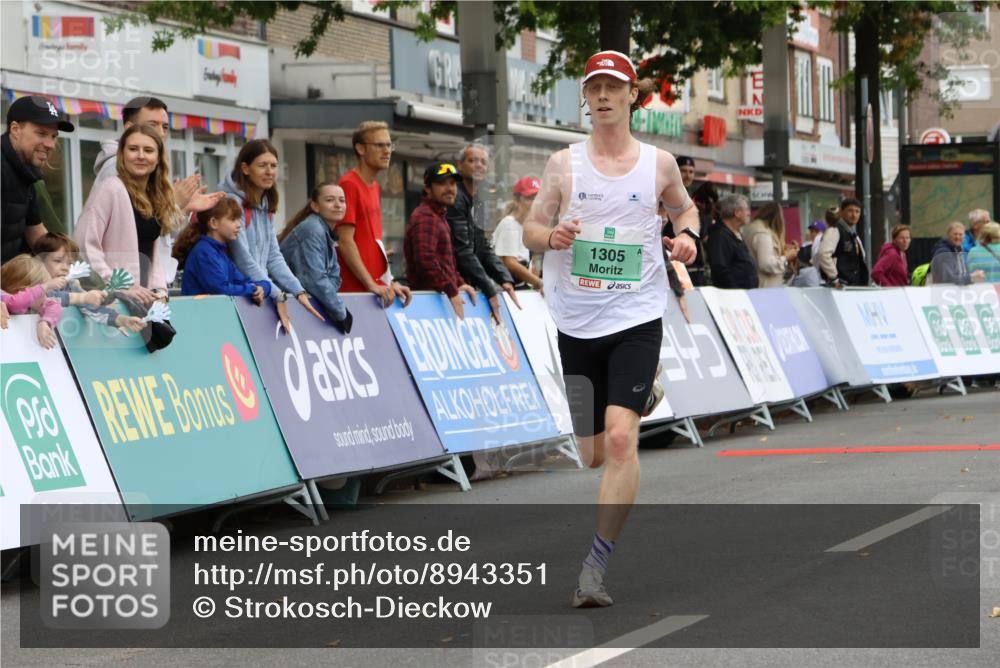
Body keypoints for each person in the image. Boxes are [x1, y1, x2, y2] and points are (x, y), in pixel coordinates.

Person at [521, 50, 699, 608]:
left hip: (637, 314)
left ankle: (593, 569)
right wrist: (550, 238)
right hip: (576, 319)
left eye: (612, 88)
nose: (601, 96)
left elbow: (684, 211)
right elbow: (529, 227)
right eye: (593, 87)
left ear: (632, 97)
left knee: (622, 439)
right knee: (592, 452)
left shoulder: (660, 164)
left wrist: (688, 238)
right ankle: (642, 389)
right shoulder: (563, 165)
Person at [94, 96, 224, 285]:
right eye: (152, 125)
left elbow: (160, 233)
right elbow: (134, 230)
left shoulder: (149, 169)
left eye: (164, 127)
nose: (160, 133)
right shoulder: (116, 169)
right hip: (127, 284)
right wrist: (175, 204)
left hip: (148, 281)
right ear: (130, 128)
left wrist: (183, 208)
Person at [218, 139, 325, 331]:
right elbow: (243, 260)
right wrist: (277, 293)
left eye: (273, 166)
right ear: (245, 168)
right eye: (262, 165)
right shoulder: (231, 202)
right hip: (235, 296)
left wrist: (297, 290)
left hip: (259, 293)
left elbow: (273, 257)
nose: (269, 172)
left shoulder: (265, 203)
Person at [74, 124, 176, 304]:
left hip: (144, 302)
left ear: (159, 157)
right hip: (112, 303)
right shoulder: (111, 188)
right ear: (122, 154)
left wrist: (160, 291)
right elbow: (84, 244)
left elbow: (153, 252)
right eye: (133, 149)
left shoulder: (155, 196)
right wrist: (118, 285)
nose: (141, 156)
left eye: (149, 150)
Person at [336, 121, 411, 308]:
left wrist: (389, 282)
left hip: (373, 293)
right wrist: (371, 284)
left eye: (389, 145)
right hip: (355, 294)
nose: (387, 151)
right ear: (360, 149)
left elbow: (371, 244)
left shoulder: (375, 186)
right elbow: (345, 241)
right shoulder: (349, 184)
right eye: (379, 145)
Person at [447, 143, 519, 323]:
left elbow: (482, 245)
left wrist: (504, 278)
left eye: (483, 162)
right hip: (453, 282)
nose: (478, 165)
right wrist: (489, 287)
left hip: (468, 282)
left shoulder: (478, 200)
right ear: (460, 166)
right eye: (472, 160)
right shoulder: (456, 197)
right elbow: (462, 249)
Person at [2, 95, 74, 263]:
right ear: (15, 130)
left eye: (54, 136)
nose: (50, 144)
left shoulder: (27, 173)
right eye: (41, 133)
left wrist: (72, 273)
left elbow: (36, 233)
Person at [405, 162, 478, 319]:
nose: (449, 188)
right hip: (428, 307)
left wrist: (459, 282)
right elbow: (425, 260)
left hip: (438, 303)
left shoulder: (439, 216)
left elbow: (446, 262)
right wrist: (452, 290)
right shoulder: (426, 217)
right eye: (441, 183)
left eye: (452, 183)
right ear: (427, 189)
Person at [278, 182, 354, 332]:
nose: (338, 205)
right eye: (330, 200)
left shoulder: (323, 230)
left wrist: (331, 301)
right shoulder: (313, 229)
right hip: (280, 306)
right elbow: (316, 280)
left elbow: (334, 277)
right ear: (315, 206)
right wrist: (341, 313)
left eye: (342, 200)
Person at [33, 232, 145, 333]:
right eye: (58, 261)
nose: (65, 268)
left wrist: (122, 320)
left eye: (69, 263)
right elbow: (50, 297)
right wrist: (83, 297)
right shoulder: (32, 284)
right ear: (39, 260)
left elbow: (93, 309)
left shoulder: (70, 286)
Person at [173, 197, 269, 302]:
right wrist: (253, 289)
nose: (239, 225)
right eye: (233, 219)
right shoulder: (203, 252)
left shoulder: (219, 253)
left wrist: (263, 287)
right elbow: (220, 289)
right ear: (214, 223)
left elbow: (242, 281)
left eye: (238, 219)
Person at [1, 254, 65, 348]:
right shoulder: (3, 296)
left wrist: (45, 322)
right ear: (23, 290)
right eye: (41, 293)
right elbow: (15, 303)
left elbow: (54, 306)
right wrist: (45, 286)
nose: (45, 297)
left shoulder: (33, 303)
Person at [492, 175, 543, 292]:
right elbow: (510, 263)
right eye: (530, 198)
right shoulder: (509, 225)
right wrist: (539, 283)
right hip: (503, 295)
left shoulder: (526, 227)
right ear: (516, 200)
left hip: (519, 293)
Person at [814, 196, 869, 287]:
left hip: (851, 287)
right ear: (841, 212)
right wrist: (834, 278)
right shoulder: (835, 230)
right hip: (841, 288)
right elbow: (823, 254)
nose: (854, 215)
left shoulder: (851, 233)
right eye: (850, 211)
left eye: (857, 211)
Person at [706, 194, 758, 289]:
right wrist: (735, 291)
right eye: (746, 209)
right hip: (733, 296)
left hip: (746, 294)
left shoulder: (736, 233)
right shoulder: (719, 236)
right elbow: (720, 269)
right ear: (737, 213)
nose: (749, 213)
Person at [743, 202, 797, 288]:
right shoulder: (763, 233)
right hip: (766, 287)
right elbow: (766, 264)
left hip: (758, 284)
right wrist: (786, 257)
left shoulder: (753, 228)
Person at [931, 221, 985, 285]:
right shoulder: (944, 252)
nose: (958, 237)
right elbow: (948, 279)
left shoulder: (958, 250)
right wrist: (972, 276)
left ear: (964, 236)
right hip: (944, 291)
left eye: (960, 234)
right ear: (948, 235)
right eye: (955, 234)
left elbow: (961, 273)